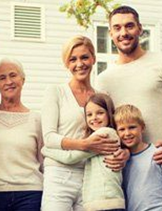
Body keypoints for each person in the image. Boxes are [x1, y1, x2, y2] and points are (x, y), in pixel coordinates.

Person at [41, 35, 121, 211]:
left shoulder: (102, 97)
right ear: (66, 64)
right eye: (73, 59)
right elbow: (49, 138)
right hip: (59, 174)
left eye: (84, 57)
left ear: (93, 58)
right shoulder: (56, 92)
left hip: (91, 176)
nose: (79, 64)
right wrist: (85, 145)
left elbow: (114, 133)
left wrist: (124, 154)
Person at [95, 5, 162, 165]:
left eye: (129, 26)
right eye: (117, 28)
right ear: (111, 34)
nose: (123, 33)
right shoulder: (104, 79)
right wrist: (119, 152)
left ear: (140, 29)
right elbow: (106, 126)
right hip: (132, 168)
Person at [42, 93, 125, 211]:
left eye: (100, 113)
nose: (94, 118)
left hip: (105, 202)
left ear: (110, 114)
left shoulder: (104, 135)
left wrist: (46, 150)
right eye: (89, 115)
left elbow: (70, 157)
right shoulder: (107, 134)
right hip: (102, 201)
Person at [0, 57, 43, 211]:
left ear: (22, 80)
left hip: (30, 193)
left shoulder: (36, 119)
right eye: (2, 78)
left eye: (13, 75)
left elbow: (44, 161)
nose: (8, 81)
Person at [114, 104, 162, 210]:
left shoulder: (159, 153)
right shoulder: (122, 161)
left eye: (132, 127)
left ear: (142, 127)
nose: (127, 133)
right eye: (122, 129)